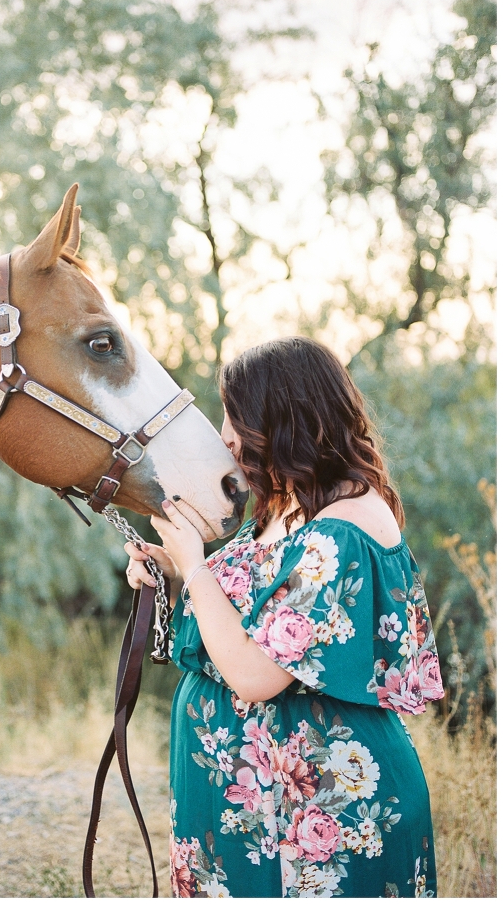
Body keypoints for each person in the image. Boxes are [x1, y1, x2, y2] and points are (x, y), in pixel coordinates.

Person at [125, 337, 443, 898]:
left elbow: (257, 675)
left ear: (287, 420)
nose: (224, 434)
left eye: (235, 416)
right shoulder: (291, 505)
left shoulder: (343, 529)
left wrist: (195, 568)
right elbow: (253, 601)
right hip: (253, 806)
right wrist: (171, 567)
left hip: (319, 815)